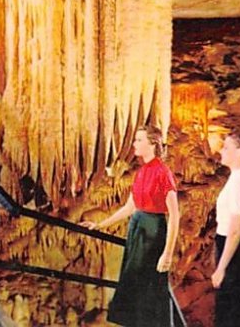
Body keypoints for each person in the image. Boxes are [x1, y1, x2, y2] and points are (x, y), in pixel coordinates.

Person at [81, 124, 179, 327]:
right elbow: (129, 207)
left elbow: (175, 215)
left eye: (138, 140)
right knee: (132, 283)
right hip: (137, 228)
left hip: (152, 230)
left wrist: (168, 253)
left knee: (146, 287)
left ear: (152, 144)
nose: (134, 144)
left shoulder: (163, 172)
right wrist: (100, 225)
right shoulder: (142, 171)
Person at [211, 131, 240, 327]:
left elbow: (235, 231)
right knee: (237, 310)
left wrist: (221, 268)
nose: (221, 151)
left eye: (226, 147)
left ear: (239, 152)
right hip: (238, 248)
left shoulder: (239, 183)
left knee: (230, 311)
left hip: (233, 250)